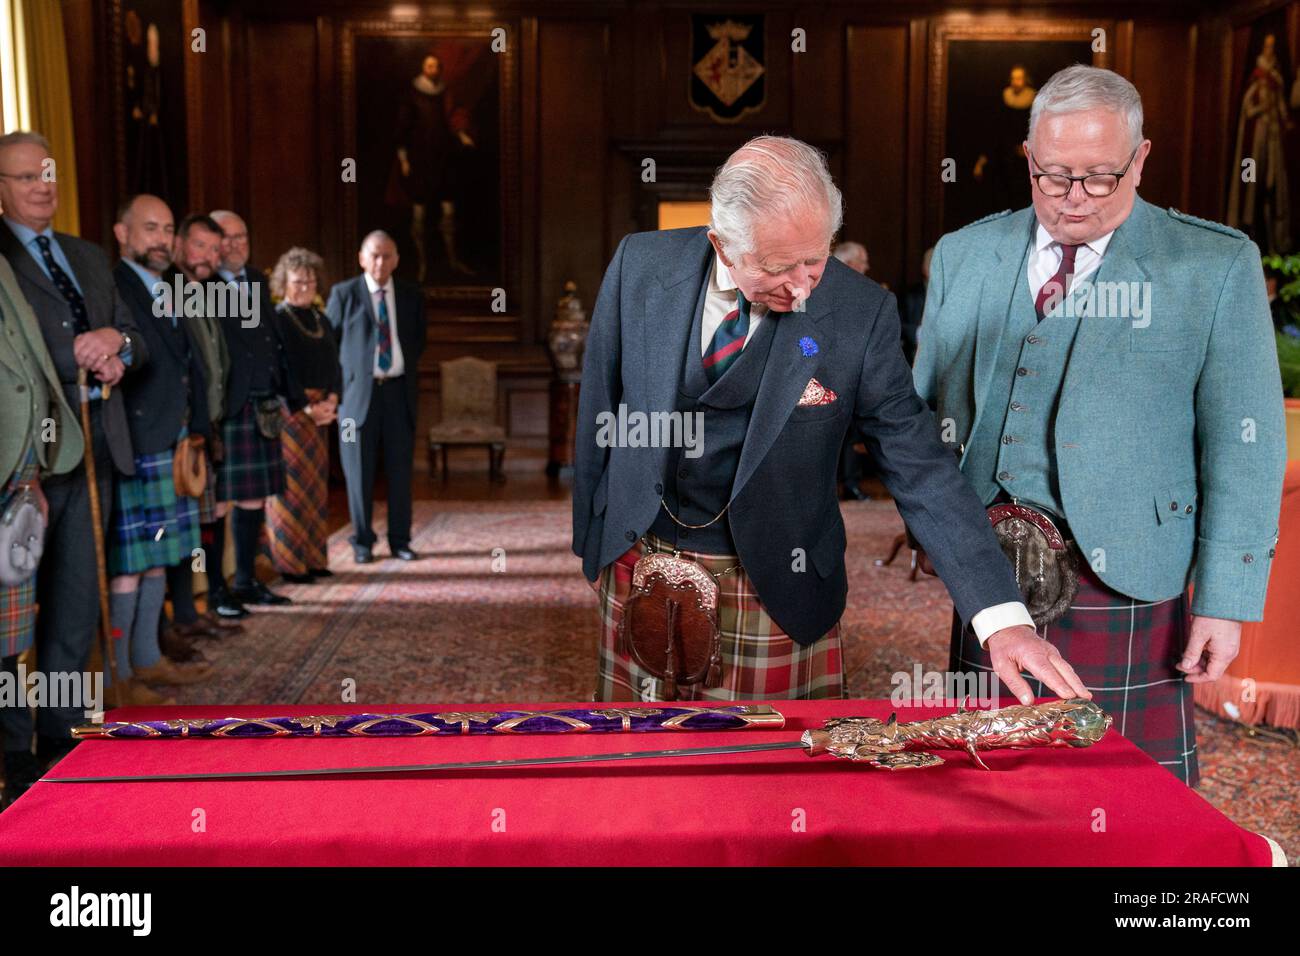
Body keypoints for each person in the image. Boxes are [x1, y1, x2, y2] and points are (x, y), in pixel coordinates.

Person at [573, 135, 1086, 703]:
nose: (801, 286)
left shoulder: (860, 314)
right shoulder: (641, 264)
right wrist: (590, 540)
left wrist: (1001, 617)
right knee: (639, 764)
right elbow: (602, 404)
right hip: (637, 554)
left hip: (777, 581)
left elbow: (918, 462)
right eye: (776, 267)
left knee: (769, 780)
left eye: (815, 260)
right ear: (723, 244)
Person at [914, 65, 1287, 785]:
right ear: (1028, 156)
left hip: (1129, 579)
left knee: (1130, 799)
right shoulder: (966, 254)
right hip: (993, 575)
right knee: (984, 782)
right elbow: (926, 412)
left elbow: (1245, 447)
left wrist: (1225, 602)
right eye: (1054, 176)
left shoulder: (1213, 265)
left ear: (1141, 159)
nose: (1074, 198)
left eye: (1100, 177)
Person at [0, 130, 148, 756]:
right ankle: (12, 749)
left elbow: (137, 337)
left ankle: (63, 736)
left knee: (76, 602)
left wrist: (118, 345)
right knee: (11, 614)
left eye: (50, 173)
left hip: (93, 452)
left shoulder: (87, 256)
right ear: (2, 189)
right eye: (28, 177)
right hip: (22, 461)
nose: (44, 186)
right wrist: (77, 352)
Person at [108, 194, 213, 690]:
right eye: (149, 228)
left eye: (168, 229)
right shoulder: (112, 286)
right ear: (121, 234)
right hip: (135, 442)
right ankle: (119, 673)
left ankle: (146, 658)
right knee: (130, 563)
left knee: (158, 558)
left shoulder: (172, 287)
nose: (162, 239)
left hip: (171, 442)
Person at [0, 252, 84, 809]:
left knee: (7, 641)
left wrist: (32, 479)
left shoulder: (4, 267)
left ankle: (15, 754)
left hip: (18, 482)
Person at [209, 210, 304, 606]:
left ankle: (246, 581)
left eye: (241, 236)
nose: (235, 244)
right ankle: (216, 590)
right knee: (217, 502)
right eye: (225, 237)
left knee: (255, 497)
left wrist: (288, 393)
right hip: (225, 405)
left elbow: (272, 340)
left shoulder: (257, 280)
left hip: (263, 401)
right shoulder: (199, 285)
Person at [326, 231, 426, 564]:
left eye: (387, 255)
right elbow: (330, 347)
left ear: (396, 259)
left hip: (398, 393)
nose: (380, 262)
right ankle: (362, 542)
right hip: (356, 399)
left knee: (400, 472)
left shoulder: (412, 296)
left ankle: (400, 541)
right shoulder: (344, 294)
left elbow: (418, 342)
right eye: (374, 255)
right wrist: (338, 392)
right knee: (358, 473)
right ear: (361, 258)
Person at [169, 214, 245, 623]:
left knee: (212, 516)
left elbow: (220, 361)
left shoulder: (209, 291)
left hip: (210, 426)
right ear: (180, 244)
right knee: (185, 527)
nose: (209, 257)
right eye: (200, 246)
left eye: (216, 250)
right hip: (182, 431)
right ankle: (189, 608)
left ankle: (213, 594)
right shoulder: (167, 290)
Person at [266, 247, 340, 581]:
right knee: (291, 491)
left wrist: (333, 401)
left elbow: (336, 364)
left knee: (315, 489)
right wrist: (307, 407)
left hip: (321, 413)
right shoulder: (278, 319)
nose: (304, 287)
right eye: (297, 281)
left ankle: (313, 558)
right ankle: (290, 565)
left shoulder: (322, 319)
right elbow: (280, 369)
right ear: (284, 282)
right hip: (292, 412)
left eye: (310, 281)